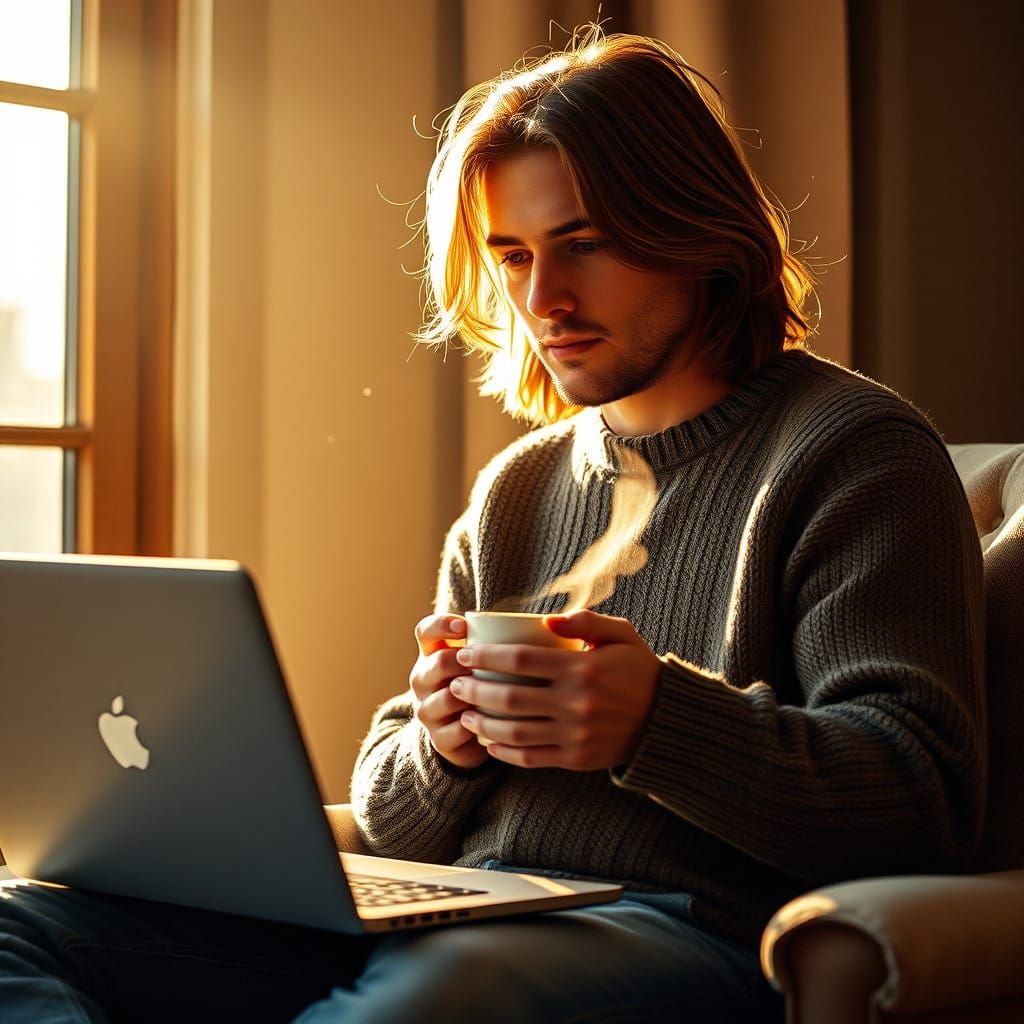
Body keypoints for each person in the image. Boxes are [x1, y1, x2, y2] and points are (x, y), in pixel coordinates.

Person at [0, 27, 985, 1024]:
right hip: (460, 910)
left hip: (684, 930)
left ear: (697, 231)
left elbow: (921, 804)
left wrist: (654, 720)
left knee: (427, 1002)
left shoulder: (852, 452)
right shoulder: (518, 487)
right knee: (15, 923)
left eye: (583, 245)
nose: (542, 300)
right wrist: (441, 741)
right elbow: (392, 818)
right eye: (511, 256)